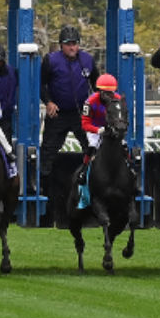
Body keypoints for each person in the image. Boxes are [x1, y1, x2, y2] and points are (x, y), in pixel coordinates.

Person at [39, 26, 100, 211]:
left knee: (92, 148)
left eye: (74, 44)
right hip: (57, 113)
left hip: (81, 113)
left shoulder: (88, 60)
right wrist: (48, 102)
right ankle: (43, 192)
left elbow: (97, 85)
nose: (72, 47)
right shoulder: (51, 60)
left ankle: (92, 190)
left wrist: (94, 108)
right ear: (61, 46)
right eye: (68, 44)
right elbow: (40, 84)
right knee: (48, 151)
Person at [76, 73, 123, 208]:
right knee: (92, 146)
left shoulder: (118, 99)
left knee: (124, 146)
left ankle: (131, 170)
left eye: (111, 93)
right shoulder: (90, 102)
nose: (110, 96)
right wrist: (98, 130)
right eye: (106, 93)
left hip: (112, 129)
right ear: (100, 91)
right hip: (95, 129)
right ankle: (84, 171)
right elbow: (84, 124)